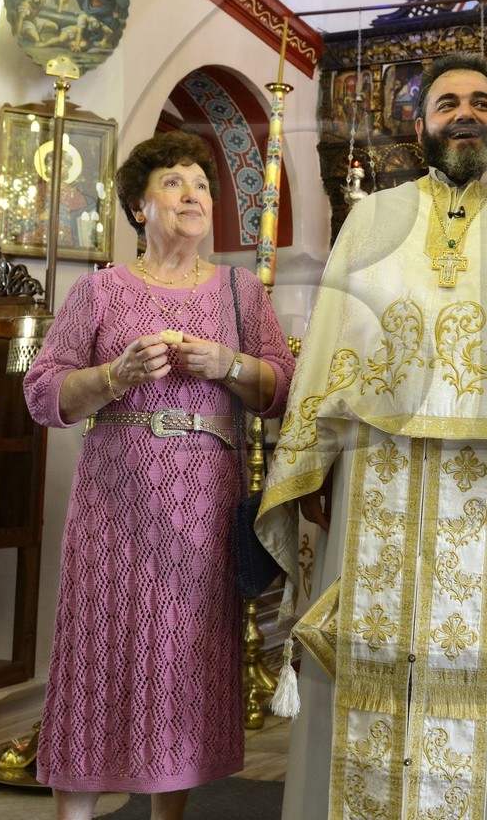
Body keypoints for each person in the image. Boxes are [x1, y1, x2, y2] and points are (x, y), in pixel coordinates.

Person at [257, 52, 487, 820]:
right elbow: (337, 347)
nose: (464, 113)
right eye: (447, 103)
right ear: (422, 123)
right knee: (369, 660)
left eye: (481, 102)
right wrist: (315, 468)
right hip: (378, 478)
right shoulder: (371, 218)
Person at [25, 131, 295, 820]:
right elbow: (44, 392)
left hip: (204, 500)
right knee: (98, 647)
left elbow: (284, 389)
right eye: (174, 182)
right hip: (115, 494)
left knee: (180, 660)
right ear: (140, 207)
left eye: (201, 184)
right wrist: (114, 375)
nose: (193, 194)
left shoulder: (241, 290)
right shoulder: (100, 290)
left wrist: (227, 367)